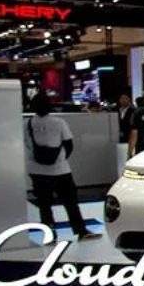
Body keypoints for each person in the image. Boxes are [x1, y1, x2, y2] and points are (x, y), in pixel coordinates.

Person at [26, 93, 99, 240]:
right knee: (70, 202)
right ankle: (81, 231)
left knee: (44, 205)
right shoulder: (59, 122)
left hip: (36, 170)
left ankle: (49, 235)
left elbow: (27, 145)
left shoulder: (27, 124)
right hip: (60, 170)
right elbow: (69, 144)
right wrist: (60, 158)